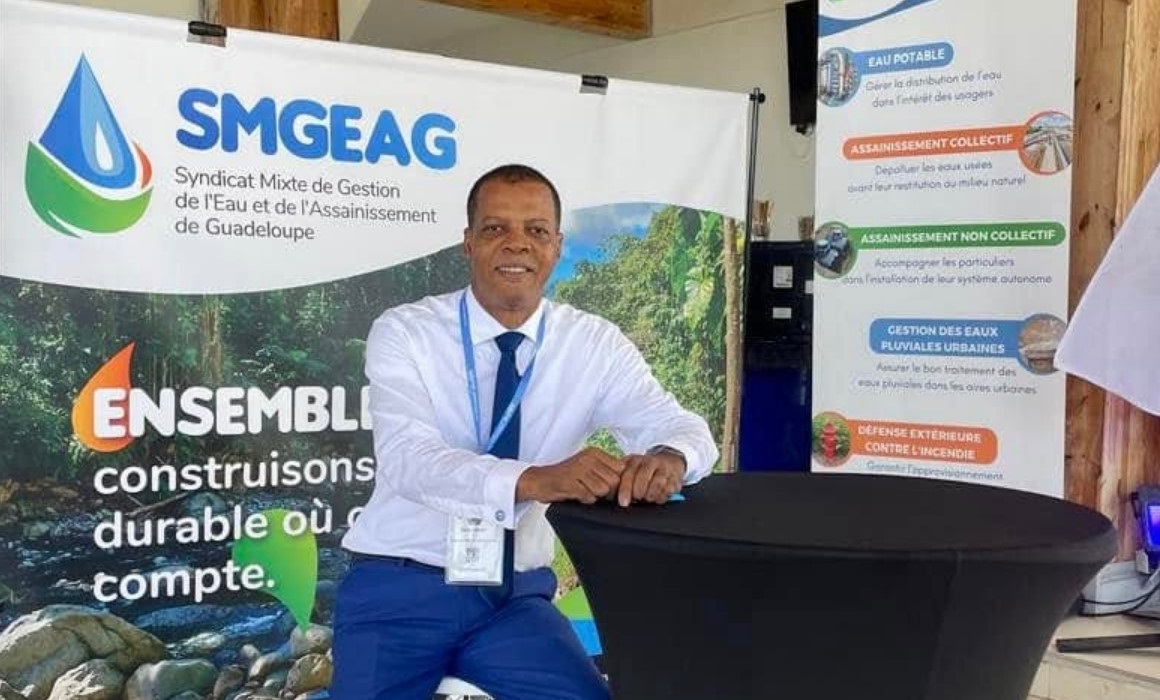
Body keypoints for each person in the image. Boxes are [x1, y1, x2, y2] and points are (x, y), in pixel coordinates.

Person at [331, 163, 719, 700]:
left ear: (557, 246)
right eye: (496, 228)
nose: (517, 244)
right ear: (468, 243)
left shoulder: (593, 343)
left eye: (536, 230)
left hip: (511, 600)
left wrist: (670, 456)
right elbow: (408, 459)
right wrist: (537, 479)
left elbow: (680, 425)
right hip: (400, 585)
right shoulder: (406, 331)